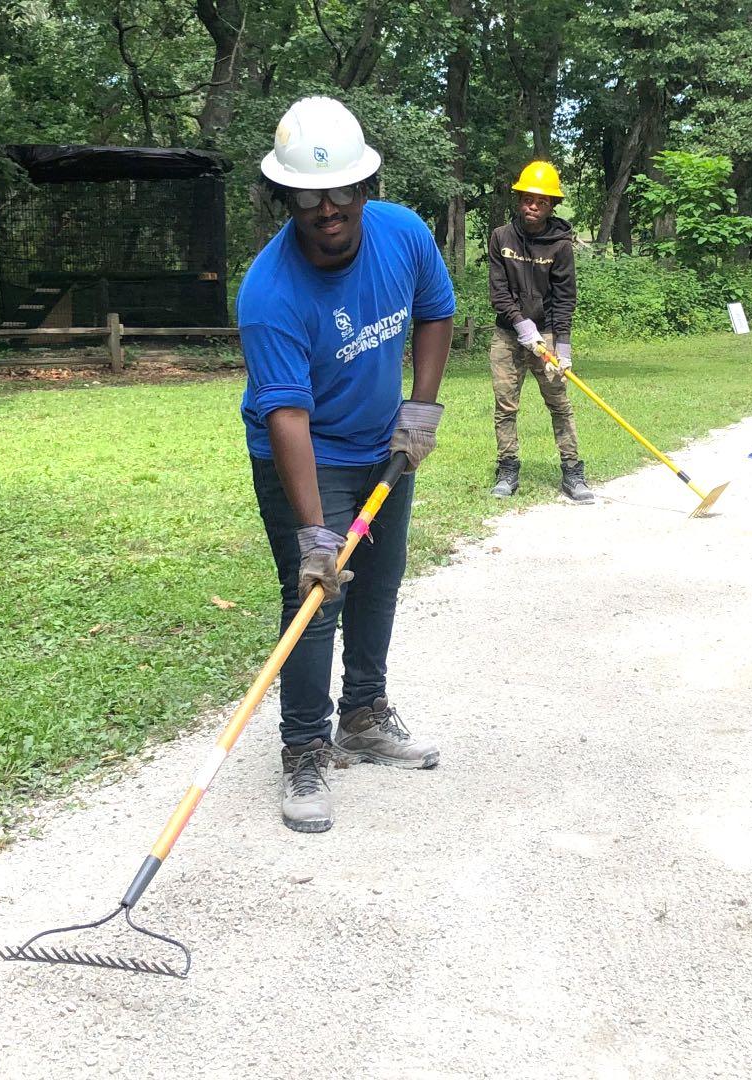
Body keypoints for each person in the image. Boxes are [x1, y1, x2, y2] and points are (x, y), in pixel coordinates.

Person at [237, 96, 457, 833]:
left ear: (366, 186)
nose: (326, 207)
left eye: (340, 192)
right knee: (316, 594)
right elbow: (287, 416)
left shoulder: (404, 235)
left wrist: (419, 409)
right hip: (305, 454)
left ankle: (363, 715)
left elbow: (435, 310)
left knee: (380, 581)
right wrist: (313, 535)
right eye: (307, 194)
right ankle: (304, 746)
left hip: (384, 443)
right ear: (286, 197)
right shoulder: (269, 293)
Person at [486, 161, 592, 503]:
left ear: (551, 206)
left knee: (560, 404)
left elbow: (565, 296)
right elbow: (499, 291)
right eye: (528, 198)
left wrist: (562, 345)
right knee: (506, 406)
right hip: (507, 336)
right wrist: (519, 323)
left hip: (546, 335)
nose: (533, 205)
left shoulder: (560, 245)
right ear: (519, 199)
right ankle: (507, 469)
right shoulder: (501, 237)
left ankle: (573, 472)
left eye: (541, 201)